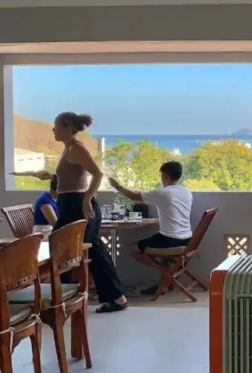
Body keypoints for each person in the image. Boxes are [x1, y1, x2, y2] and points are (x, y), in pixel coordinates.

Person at [15, 112, 128, 313]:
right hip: (69, 204)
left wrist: (86, 199)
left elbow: (97, 174)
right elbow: (73, 177)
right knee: (67, 250)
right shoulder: (69, 149)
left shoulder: (76, 148)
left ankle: (112, 297)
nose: (53, 130)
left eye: (56, 126)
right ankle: (63, 296)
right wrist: (51, 176)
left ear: (67, 127)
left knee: (79, 249)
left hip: (77, 205)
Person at [109, 161, 193, 296]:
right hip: (188, 240)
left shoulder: (163, 193)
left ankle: (163, 271)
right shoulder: (187, 192)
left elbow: (134, 197)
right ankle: (163, 286)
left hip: (169, 240)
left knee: (131, 248)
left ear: (165, 176)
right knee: (165, 257)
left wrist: (117, 186)